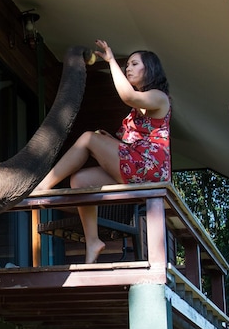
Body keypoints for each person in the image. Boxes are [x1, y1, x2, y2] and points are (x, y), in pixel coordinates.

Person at [34, 39, 171, 263]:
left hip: (149, 170)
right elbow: (136, 141)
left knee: (88, 138)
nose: (128, 68)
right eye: (127, 65)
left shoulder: (159, 96)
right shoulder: (138, 109)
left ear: (151, 69)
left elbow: (128, 96)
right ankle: (93, 242)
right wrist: (110, 141)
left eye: (134, 64)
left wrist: (110, 61)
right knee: (80, 180)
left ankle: (42, 185)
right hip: (137, 167)